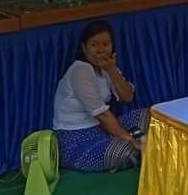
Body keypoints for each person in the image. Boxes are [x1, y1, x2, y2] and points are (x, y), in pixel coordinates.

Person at [52, 20, 149, 173]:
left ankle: (141, 145)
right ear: (84, 47)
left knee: (151, 115)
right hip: (76, 140)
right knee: (126, 151)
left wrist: (112, 70)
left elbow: (128, 96)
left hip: (102, 130)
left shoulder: (106, 66)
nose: (101, 50)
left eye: (106, 44)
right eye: (94, 45)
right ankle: (140, 147)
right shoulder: (80, 71)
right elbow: (102, 115)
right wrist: (131, 140)